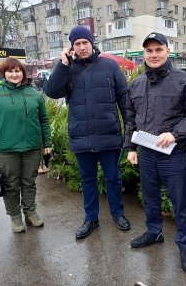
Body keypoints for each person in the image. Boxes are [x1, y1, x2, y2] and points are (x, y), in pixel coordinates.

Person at [124, 32, 186, 273]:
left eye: (158, 49)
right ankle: (154, 232)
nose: (154, 54)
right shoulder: (136, 84)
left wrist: (175, 133)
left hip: (173, 154)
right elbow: (130, 117)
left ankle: (183, 243)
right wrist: (130, 147)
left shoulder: (185, 81)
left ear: (167, 51)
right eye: (149, 51)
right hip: (147, 154)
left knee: (179, 201)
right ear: (144, 55)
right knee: (150, 197)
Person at [44, 26, 131, 239]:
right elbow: (52, 91)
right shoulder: (68, 69)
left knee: (113, 178)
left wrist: (130, 133)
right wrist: (62, 65)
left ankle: (118, 214)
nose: (82, 47)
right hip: (81, 136)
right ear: (72, 47)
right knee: (88, 180)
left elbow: (125, 100)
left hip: (108, 134)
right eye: (77, 44)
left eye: (85, 42)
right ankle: (91, 218)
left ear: (92, 42)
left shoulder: (110, 66)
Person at [0, 57, 52, 233]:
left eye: (17, 70)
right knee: (11, 185)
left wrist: (47, 143)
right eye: (10, 71)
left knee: (29, 182)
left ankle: (30, 212)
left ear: (23, 72)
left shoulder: (34, 95)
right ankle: (15, 216)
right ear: (4, 73)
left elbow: (43, 120)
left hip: (32, 147)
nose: (14, 74)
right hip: (5, 149)